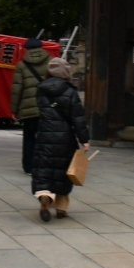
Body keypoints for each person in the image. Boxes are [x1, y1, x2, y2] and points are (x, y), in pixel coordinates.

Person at [31, 57, 89, 222]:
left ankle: (44, 195)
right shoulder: (70, 92)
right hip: (65, 137)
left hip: (44, 134)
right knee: (63, 172)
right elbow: (78, 119)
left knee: (43, 169)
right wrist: (84, 140)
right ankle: (61, 208)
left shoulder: (41, 90)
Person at [10, 38, 50, 173]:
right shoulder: (51, 62)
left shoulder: (21, 65)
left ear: (27, 49)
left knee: (29, 139)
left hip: (28, 110)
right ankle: (44, 165)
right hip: (47, 108)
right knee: (46, 138)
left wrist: (14, 110)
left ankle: (29, 167)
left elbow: (17, 90)